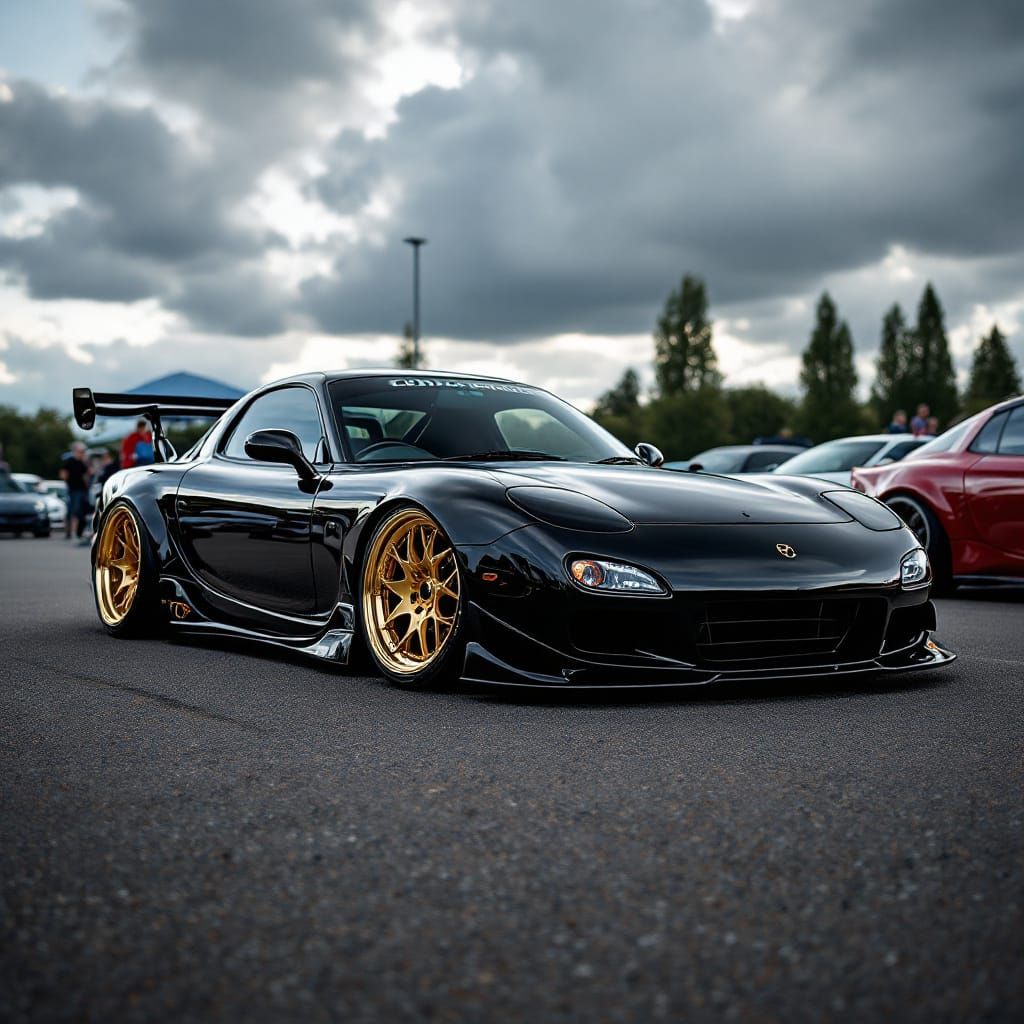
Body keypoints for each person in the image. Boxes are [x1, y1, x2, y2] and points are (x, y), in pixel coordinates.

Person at [61, 441, 92, 543]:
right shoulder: (69, 461)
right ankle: (71, 533)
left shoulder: (82, 463)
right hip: (73, 489)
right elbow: (63, 474)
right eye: (80, 451)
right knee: (73, 511)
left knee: (79, 511)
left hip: (82, 490)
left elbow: (87, 474)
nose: (82, 453)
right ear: (75, 451)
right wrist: (68, 483)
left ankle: (76, 532)